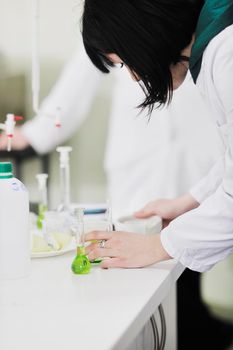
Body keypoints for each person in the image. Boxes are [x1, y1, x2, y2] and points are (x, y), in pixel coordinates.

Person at [81, 0, 233, 273]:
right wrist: (189, 202)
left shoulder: (226, 52)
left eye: (126, 62)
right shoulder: (214, 46)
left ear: (143, 33)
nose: (135, 77)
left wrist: (156, 246)